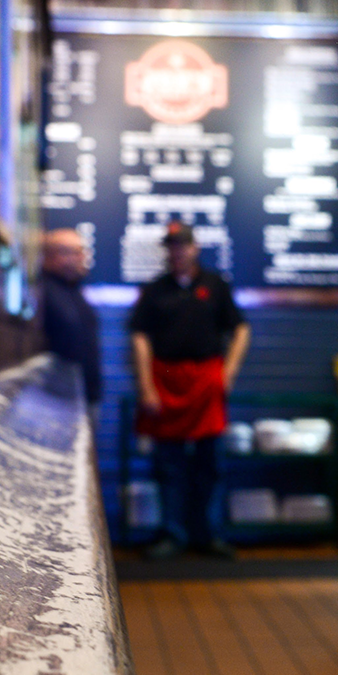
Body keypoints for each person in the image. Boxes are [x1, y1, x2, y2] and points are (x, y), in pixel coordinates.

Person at [129, 222, 250, 559]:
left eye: (182, 245)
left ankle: (208, 534)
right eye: (172, 246)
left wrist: (229, 372)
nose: (177, 251)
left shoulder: (215, 285)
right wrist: (146, 387)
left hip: (207, 379)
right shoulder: (154, 290)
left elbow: (241, 329)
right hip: (165, 380)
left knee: (210, 464)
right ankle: (172, 534)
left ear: (194, 248)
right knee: (168, 465)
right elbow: (139, 337)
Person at [42, 229, 101, 409]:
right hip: (57, 401)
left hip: (83, 396)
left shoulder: (73, 289)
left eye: (82, 252)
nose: (82, 258)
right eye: (76, 252)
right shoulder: (42, 292)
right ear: (54, 256)